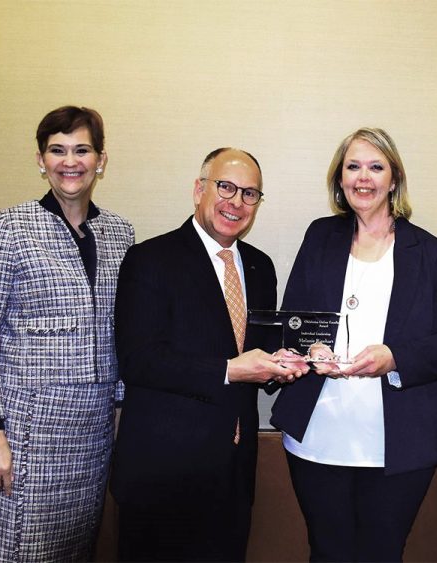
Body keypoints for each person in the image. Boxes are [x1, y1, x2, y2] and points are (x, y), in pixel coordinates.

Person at [270, 127, 437, 562]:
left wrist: (394, 358)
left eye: (376, 167)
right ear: (340, 179)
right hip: (318, 436)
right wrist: (312, 349)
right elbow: (294, 319)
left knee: (382, 552)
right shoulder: (320, 236)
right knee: (327, 550)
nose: (364, 177)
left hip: (397, 441)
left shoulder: (429, 252)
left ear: (394, 178)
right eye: (353, 166)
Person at [110, 147, 304, 562]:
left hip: (233, 474)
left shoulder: (259, 266)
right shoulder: (150, 258)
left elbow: (257, 355)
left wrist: (284, 366)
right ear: (199, 189)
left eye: (250, 194)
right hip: (162, 476)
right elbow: (139, 360)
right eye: (226, 187)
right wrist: (230, 370)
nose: (236, 202)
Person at [0, 106, 134, 562]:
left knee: (74, 550)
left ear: (101, 160)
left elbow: (123, 330)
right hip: (24, 431)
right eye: (57, 150)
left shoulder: (119, 233)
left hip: (93, 432)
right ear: (41, 160)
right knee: (15, 550)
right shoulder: (8, 228)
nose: (69, 161)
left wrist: (119, 409)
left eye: (82, 149)